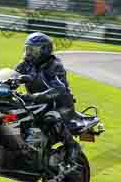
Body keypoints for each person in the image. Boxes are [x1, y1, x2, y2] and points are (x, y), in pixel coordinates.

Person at [15, 32, 80, 163]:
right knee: (14, 112)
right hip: (37, 102)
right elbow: (12, 76)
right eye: (27, 49)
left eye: (32, 50)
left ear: (44, 51)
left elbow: (59, 89)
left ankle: (72, 146)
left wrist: (33, 97)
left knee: (52, 117)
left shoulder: (55, 65)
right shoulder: (25, 64)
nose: (28, 53)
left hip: (60, 104)